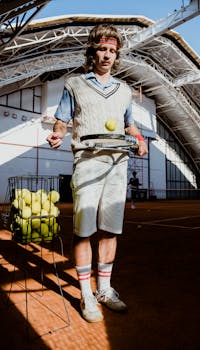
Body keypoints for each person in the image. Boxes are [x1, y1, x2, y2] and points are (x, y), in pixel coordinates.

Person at [46, 23, 148, 323]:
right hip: (87, 162)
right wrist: (57, 134)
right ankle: (86, 294)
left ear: (117, 56)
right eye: (102, 49)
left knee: (110, 230)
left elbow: (129, 125)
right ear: (93, 51)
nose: (107, 55)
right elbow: (62, 120)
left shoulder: (125, 91)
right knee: (84, 231)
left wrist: (140, 141)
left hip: (118, 164)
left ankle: (104, 288)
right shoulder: (75, 84)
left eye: (112, 51)